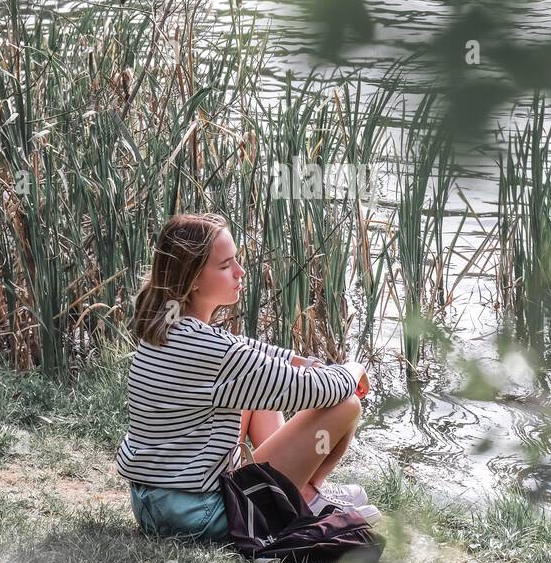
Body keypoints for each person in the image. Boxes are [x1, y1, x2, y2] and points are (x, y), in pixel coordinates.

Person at [118, 212, 374, 543]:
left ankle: (303, 491)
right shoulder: (215, 352)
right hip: (199, 515)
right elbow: (318, 390)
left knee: (257, 396)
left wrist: (294, 359)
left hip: (154, 503)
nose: (240, 272)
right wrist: (353, 368)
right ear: (193, 278)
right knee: (346, 404)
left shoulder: (165, 327)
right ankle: (304, 495)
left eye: (236, 261)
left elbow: (244, 352)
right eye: (225, 266)